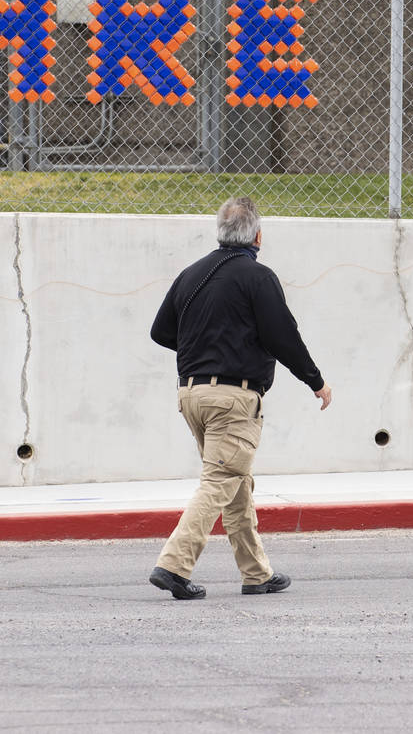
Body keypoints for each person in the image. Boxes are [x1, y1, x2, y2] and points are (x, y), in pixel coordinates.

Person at [147, 197, 332, 599]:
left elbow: (161, 332)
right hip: (233, 399)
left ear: (220, 232)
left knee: (236, 482)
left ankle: (256, 573)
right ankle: (173, 566)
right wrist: (315, 380)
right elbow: (282, 335)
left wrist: (205, 344)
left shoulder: (190, 275)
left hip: (192, 395)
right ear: (258, 236)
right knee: (221, 480)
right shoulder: (257, 277)